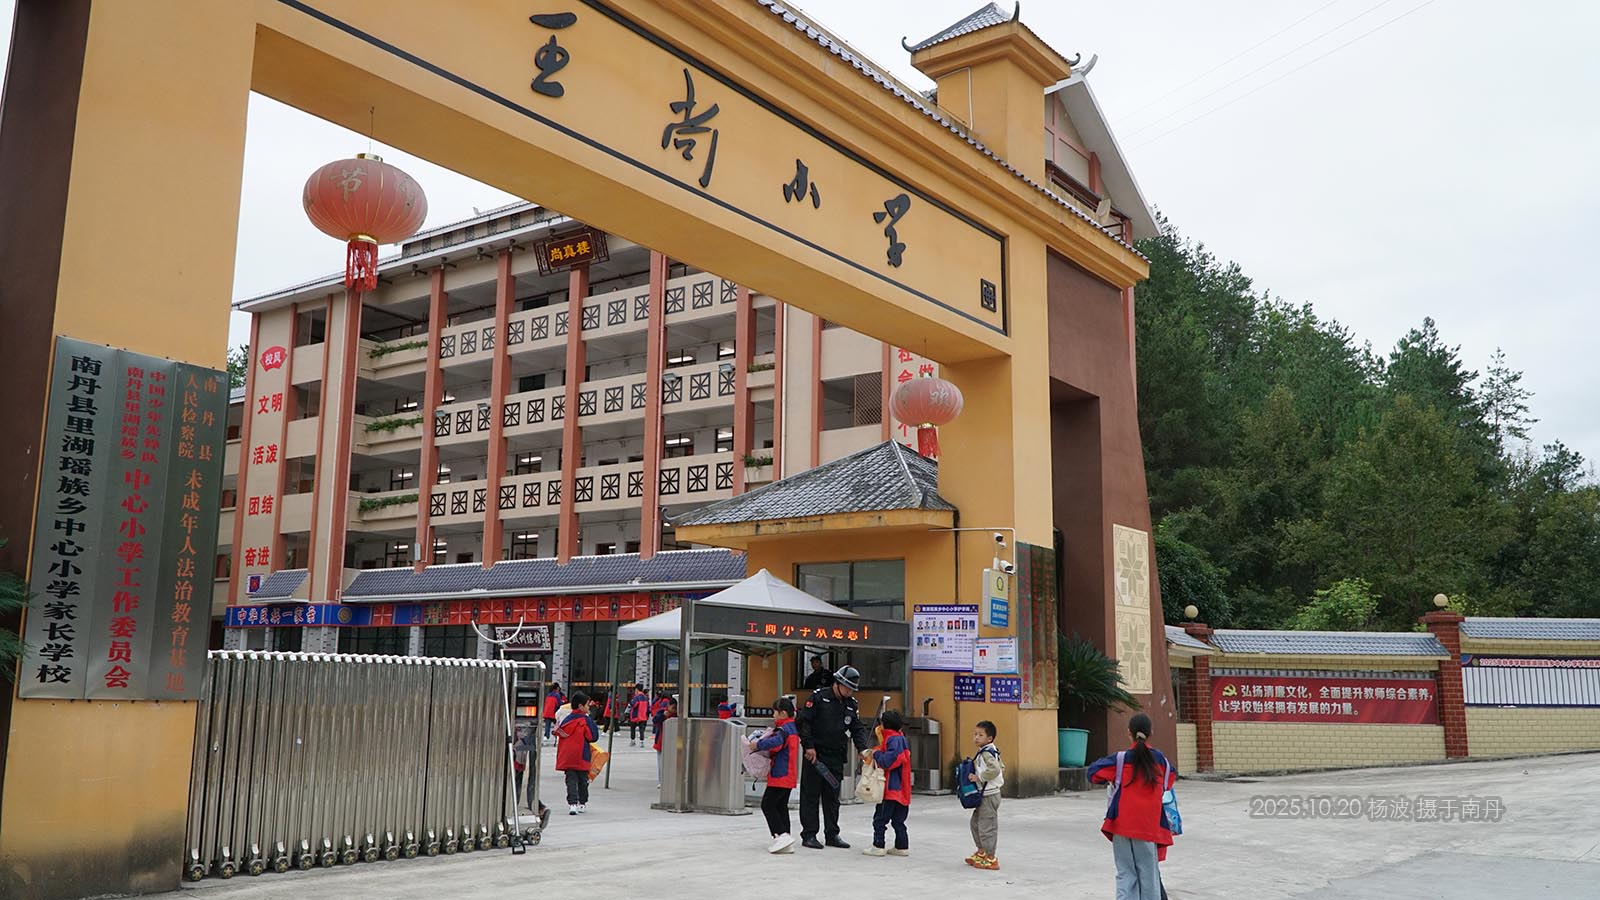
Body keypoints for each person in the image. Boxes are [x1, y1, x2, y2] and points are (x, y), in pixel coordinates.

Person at [1087, 713, 1177, 900]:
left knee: (1125, 875)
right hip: (1148, 828)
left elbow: (1093, 773)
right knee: (1149, 878)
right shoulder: (1162, 762)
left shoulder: (1120, 759)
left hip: (1121, 826)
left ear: (1129, 733)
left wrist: (1112, 780)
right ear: (1151, 732)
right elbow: (1168, 782)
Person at [794, 665, 872, 850]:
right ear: (838, 683)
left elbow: (856, 728)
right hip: (816, 756)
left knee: (832, 796)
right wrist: (808, 746)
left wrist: (862, 748)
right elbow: (803, 722)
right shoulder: (818, 698)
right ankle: (809, 834)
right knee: (811, 795)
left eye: (852, 689)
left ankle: (832, 834)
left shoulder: (851, 704)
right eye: (848, 688)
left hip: (836, 756)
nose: (850, 691)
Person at [752, 697, 801, 854]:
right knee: (780, 806)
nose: (773, 715)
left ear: (783, 713)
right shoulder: (793, 728)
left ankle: (781, 835)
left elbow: (776, 744)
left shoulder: (783, 730)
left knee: (768, 804)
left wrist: (757, 744)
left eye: (775, 712)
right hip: (789, 774)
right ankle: (786, 839)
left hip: (780, 774)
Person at [862, 709, 912, 857]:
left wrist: (876, 753)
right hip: (902, 788)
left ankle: (878, 845)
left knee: (880, 819)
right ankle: (901, 846)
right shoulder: (901, 738)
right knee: (898, 821)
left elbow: (888, 761)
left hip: (890, 788)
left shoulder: (892, 739)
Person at [964, 720, 1004, 870]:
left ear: (989, 738)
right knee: (975, 823)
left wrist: (979, 777)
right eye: (975, 734)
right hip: (984, 794)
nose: (976, 737)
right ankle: (981, 851)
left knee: (987, 827)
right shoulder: (987, 751)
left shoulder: (987, 753)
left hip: (990, 795)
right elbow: (1002, 766)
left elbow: (996, 769)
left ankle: (991, 857)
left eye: (980, 735)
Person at [555, 691, 598, 815]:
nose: (589, 707)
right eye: (587, 705)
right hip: (582, 754)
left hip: (567, 755)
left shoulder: (566, 720)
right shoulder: (585, 720)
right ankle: (582, 802)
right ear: (581, 706)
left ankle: (572, 804)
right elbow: (593, 737)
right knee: (583, 780)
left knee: (571, 780)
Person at [511, 724, 554, 832]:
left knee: (519, 783)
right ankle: (539, 808)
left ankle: (537, 808)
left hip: (522, 752)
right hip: (524, 751)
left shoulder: (524, 727)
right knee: (521, 783)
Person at [652, 695, 678, 788]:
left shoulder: (678, 715)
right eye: (673, 708)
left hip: (673, 743)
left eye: (676, 708)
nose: (674, 710)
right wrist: (663, 715)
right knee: (661, 763)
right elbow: (655, 720)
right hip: (661, 742)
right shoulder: (662, 713)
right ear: (668, 706)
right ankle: (661, 781)